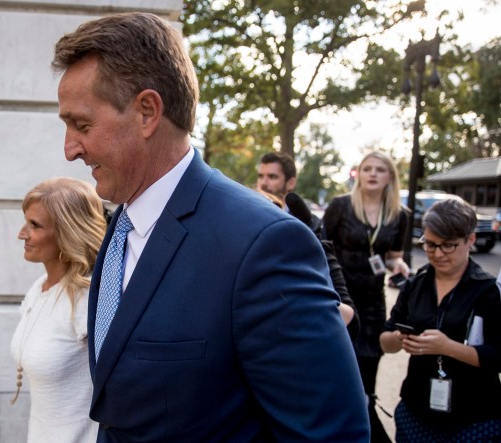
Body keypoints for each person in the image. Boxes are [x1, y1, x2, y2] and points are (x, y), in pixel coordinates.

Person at [52, 12, 369, 442]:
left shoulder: (264, 245)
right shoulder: (121, 226)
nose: (70, 149)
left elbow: (332, 435)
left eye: (82, 124)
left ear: (147, 112)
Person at [380, 198, 501, 441]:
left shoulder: (487, 290)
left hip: (474, 418)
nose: (437, 254)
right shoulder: (414, 285)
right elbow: (384, 341)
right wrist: (399, 338)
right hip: (417, 410)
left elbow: (497, 356)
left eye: (448, 246)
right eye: (430, 245)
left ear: (470, 240)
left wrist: (449, 348)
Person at [9, 177, 107, 443]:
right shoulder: (38, 289)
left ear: (67, 233)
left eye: (35, 225)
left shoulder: (88, 299)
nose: (21, 234)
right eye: (25, 221)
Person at [322, 150, 410, 442]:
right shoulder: (340, 206)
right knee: (335, 371)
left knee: (367, 374)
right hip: (339, 297)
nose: (372, 174)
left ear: (390, 177)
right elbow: (320, 249)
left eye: (380, 169)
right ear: (358, 174)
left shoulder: (399, 215)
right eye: (367, 168)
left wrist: (399, 265)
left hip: (373, 302)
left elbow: (392, 257)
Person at [257, 151, 357, 331]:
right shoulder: (245, 220)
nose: (264, 183)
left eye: (272, 176)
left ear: (291, 182)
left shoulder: (310, 225)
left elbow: (348, 315)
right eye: (261, 176)